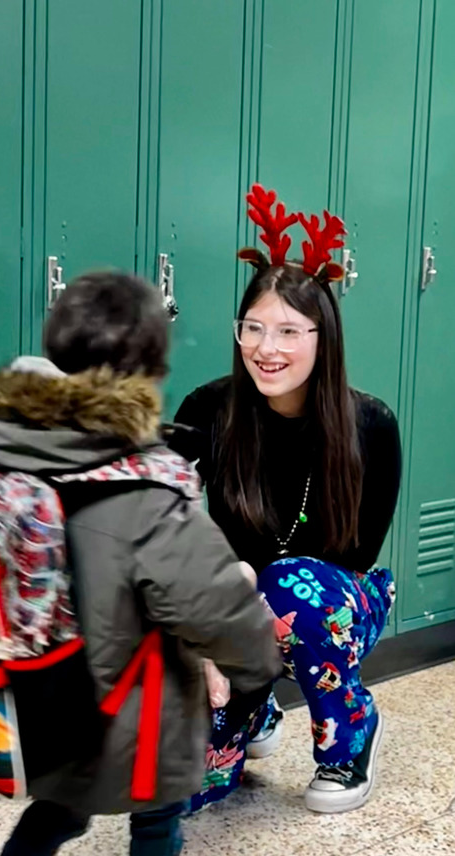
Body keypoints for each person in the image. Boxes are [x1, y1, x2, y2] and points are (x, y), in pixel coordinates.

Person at [0, 271, 281, 856]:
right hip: (136, 701)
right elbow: (207, 597)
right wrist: (257, 664)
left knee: (56, 811)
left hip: (41, 687)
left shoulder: (8, 448)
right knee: (158, 813)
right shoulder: (142, 480)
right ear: (153, 371)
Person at [173, 184, 401, 815]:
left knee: (292, 587)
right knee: (184, 790)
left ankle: (348, 734)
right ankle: (251, 711)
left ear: (321, 337)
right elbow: (151, 506)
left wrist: (249, 588)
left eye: (288, 331)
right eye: (253, 328)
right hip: (229, 609)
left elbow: (356, 551)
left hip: (328, 602)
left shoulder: (368, 425)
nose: (266, 349)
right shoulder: (210, 407)